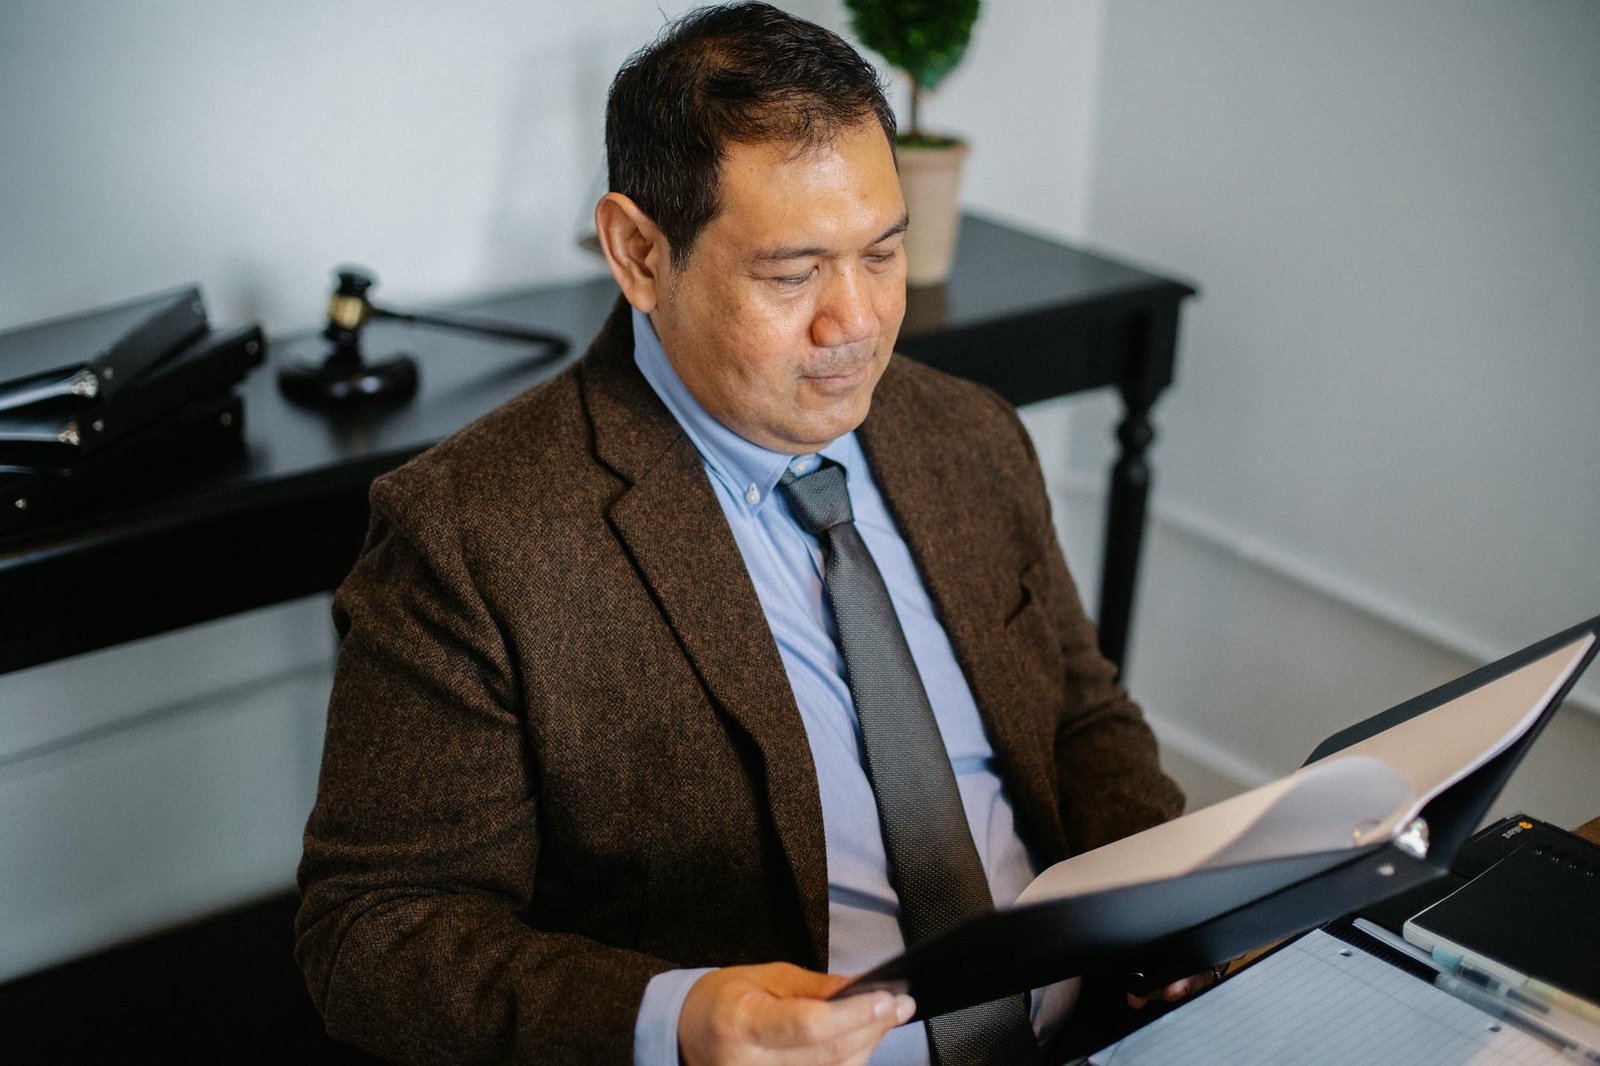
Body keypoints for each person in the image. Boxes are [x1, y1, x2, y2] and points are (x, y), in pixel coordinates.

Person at [295, 4, 1186, 1065]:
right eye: (792, 273)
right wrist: (680, 1018)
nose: (854, 322)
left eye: (883, 253)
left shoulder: (970, 435)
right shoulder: (469, 536)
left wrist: (1181, 904)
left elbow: (1080, 718)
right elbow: (376, 934)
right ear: (637, 251)